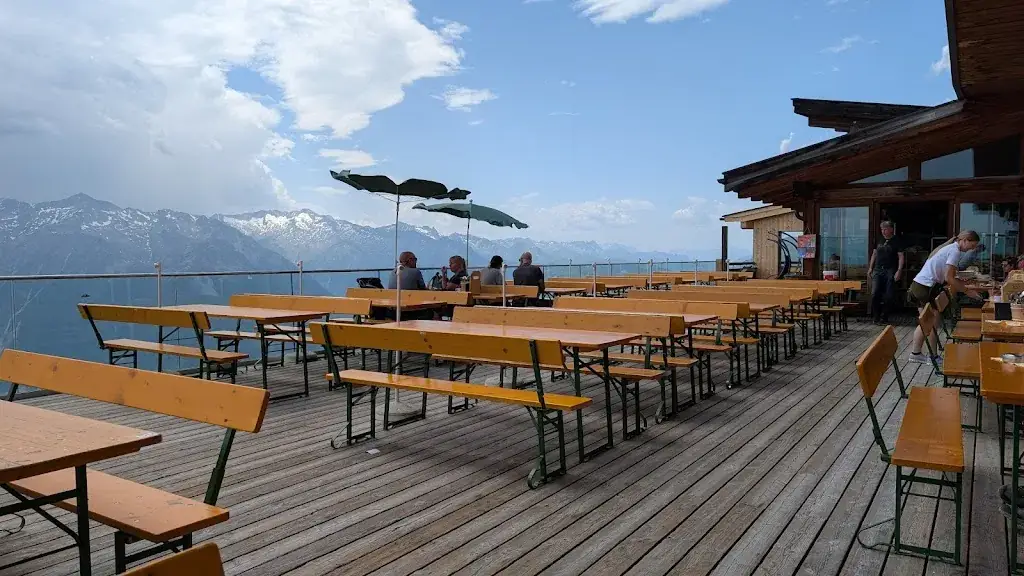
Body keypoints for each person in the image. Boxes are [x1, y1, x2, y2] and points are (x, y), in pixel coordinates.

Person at [906, 230, 982, 364]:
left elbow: (948, 275)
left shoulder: (951, 248)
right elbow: (949, 277)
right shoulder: (955, 251)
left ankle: (924, 354)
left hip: (922, 286)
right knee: (929, 322)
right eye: (972, 245)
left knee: (931, 322)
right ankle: (924, 355)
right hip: (924, 287)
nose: (972, 249)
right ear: (965, 240)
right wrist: (967, 291)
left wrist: (959, 282)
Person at [867, 221, 905, 324]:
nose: (883, 231)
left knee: (889, 295)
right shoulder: (880, 239)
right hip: (878, 269)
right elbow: (874, 254)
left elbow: (901, 256)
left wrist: (899, 270)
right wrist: (870, 267)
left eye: (885, 229)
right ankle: (876, 316)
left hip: (890, 270)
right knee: (875, 293)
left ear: (891, 229)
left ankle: (884, 316)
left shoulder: (896, 240)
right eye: (882, 229)